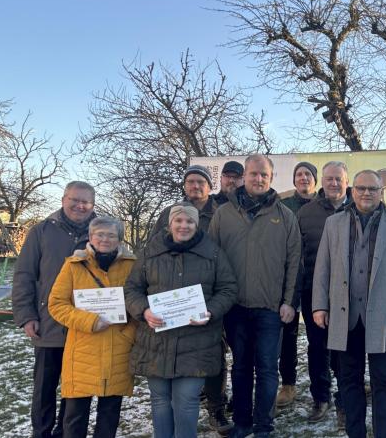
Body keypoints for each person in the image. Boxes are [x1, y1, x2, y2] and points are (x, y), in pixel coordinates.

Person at [312, 170, 386, 438]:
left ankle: (384, 433)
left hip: (385, 317)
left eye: (372, 188)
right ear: (352, 190)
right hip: (345, 317)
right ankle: (355, 433)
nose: (366, 193)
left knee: (384, 382)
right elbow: (322, 267)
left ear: (382, 191)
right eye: (361, 188)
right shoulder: (333, 224)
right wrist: (319, 306)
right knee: (349, 381)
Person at [125, 203, 238, 438]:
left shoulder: (213, 253)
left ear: (197, 226)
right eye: (179, 221)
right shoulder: (150, 252)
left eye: (189, 222)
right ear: (170, 224)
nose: (183, 225)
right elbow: (132, 289)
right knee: (160, 401)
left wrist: (210, 311)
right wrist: (143, 310)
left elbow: (228, 289)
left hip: (197, 341)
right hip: (156, 341)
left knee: (186, 401)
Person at [209, 154, 302, 438]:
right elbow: (211, 259)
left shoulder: (285, 216)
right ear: (243, 177)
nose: (258, 179)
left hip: (271, 309)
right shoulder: (223, 215)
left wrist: (289, 302)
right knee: (240, 369)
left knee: (267, 370)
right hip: (235, 307)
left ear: (271, 178)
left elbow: (294, 262)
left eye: (264, 174)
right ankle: (242, 423)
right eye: (253, 174)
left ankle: (264, 425)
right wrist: (217, 304)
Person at [13, 180, 97, 438]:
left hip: (84, 324)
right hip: (48, 323)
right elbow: (25, 274)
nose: (79, 205)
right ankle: (41, 432)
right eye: (75, 199)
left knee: (76, 387)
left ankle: (65, 431)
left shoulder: (101, 232)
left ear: (93, 204)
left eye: (85, 201)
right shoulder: (42, 231)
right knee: (45, 387)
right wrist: (26, 316)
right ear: (63, 199)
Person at [152, 164, 232, 433]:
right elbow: (153, 250)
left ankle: (216, 408)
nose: (196, 186)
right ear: (185, 186)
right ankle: (180, 410)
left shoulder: (221, 214)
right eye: (191, 182)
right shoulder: (168, 213)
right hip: (173, 298)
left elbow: (227, 251)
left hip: (208, 297)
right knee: (175, 354)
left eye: (201, 182)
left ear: (210, 187)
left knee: (214, 354)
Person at [47, 217, 137, 438]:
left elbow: (140, 301)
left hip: (118, 347)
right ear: (90, 237)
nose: (105, 239)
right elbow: (57, 304)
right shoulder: (73, 265)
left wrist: (129, 333)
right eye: (100, 234)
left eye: (111, 235)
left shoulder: (132, 265)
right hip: (82, 349)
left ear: (119, 239)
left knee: (110, 415)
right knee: (75, 416)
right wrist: (89, 321)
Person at [296, 161, 351, 425]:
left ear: (346, 181)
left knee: (345, 348)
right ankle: (321, 398)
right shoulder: (306, 213)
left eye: (338, 178)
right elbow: (296, 255)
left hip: (349, 293)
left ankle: (344, 399)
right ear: (322, 182)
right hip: (313, 292)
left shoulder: (358, 209)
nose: (333, 183)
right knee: (318, 348)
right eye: (328, 178)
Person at [276, 161, 318, 408]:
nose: (303, 178)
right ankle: (288, 384)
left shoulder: (323, 204)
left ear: (315, 179)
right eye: (299, 174)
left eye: (308, 174)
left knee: (320, 338)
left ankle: (323, 385)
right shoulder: (283, 206)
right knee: (288, 337)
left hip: (315, 278)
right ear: (294, 180)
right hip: (289, 279)